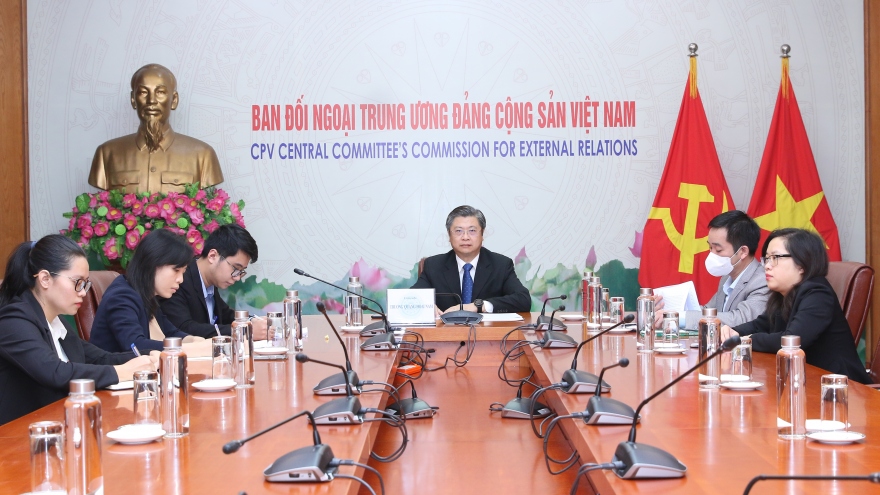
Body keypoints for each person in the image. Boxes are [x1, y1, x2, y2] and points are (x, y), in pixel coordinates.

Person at [0, 235, 155, 424]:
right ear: (45, 279)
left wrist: (151, 356)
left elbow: (100, 358)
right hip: (19, 434)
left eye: (85, 284)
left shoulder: (55, 321)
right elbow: (55, 372)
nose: (83, 292)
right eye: (78, 282)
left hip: (60, 423)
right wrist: (120, 372)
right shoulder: (13, 320)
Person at [721, 228, 871, 384]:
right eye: (766, 258)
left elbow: (792, 340)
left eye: (775, 258)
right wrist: (733, 332)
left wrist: (747, 340)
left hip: (841, 387)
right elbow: (760, 325)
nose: (767, 266)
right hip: (804, 381)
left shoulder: (818, 293)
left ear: (802, 264)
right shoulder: (784, 294)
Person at [88, 63, 224, 194]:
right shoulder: (107, 153)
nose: (151, 101)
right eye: (143, 92)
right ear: (133, 100)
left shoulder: (203, 155)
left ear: (174, 100)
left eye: (160, 92)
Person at [89, 229, 209, 354]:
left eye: (183, 272)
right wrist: (189, 348)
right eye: (176, 270)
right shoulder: (121, 297)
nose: (180, 279)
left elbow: (171, 332)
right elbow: (136, 346)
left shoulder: (146, 294)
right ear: (152, 263)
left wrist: (194, 340)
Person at [412, 205, 531, 314]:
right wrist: (425, 305)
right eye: (458, 231)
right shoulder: (434, 265)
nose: (465, 237)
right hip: (446, 330)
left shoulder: (501, 265)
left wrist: (480, 306)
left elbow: (523, 300)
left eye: (472, 231)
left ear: (482, 234)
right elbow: (411, 298)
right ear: (449, 235)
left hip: (487, 330)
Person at [159, 224, 267, 340]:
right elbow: (183, 328)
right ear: (212, 256)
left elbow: (227, 316)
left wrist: (253, 321)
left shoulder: (211, 282)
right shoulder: (179, 280)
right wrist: (242, 331)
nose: (237, 278)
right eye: (235, 268)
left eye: (241, 271)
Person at [681, 210, 769, 328]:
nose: (712, 254)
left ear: (743, 251)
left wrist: (682, 318)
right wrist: (669, 312)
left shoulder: (762, 281)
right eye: (710, 247)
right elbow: (708, 311)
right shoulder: (727, 277)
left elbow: (740, 319)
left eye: (718, 250)